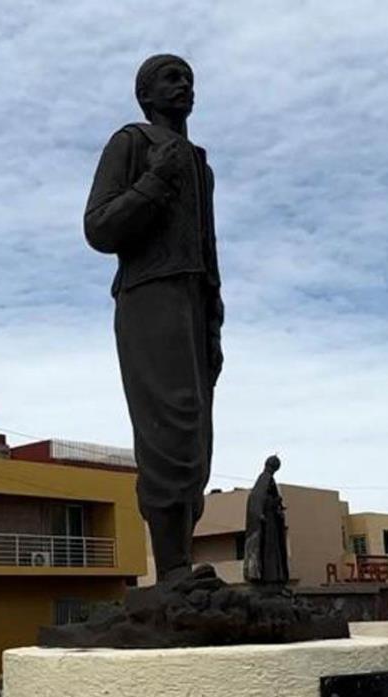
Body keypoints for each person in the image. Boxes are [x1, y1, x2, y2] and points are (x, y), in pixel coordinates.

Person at [85, 55, 224, 580]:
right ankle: (170, 572)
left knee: (197, 434)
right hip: (149, 295)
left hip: (195, 301)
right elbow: (99, 228)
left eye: (190, 76)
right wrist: (156, 181)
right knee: (170, 424)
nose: (184, 84)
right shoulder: (132, 143)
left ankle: (181, 567)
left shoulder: (199, 163)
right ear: (145, 94)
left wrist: (214, 312)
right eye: (171, 77)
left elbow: (207, 246)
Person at [242, 456, 289, 585]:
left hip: (271, 522)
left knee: (274, 550)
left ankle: (275, 575)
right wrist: (272, 504)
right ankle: (269, 576)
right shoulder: (264, 479)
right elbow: (257, 500)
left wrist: (277, 506)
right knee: (268, 550)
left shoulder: (269, 480)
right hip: (267, 523)